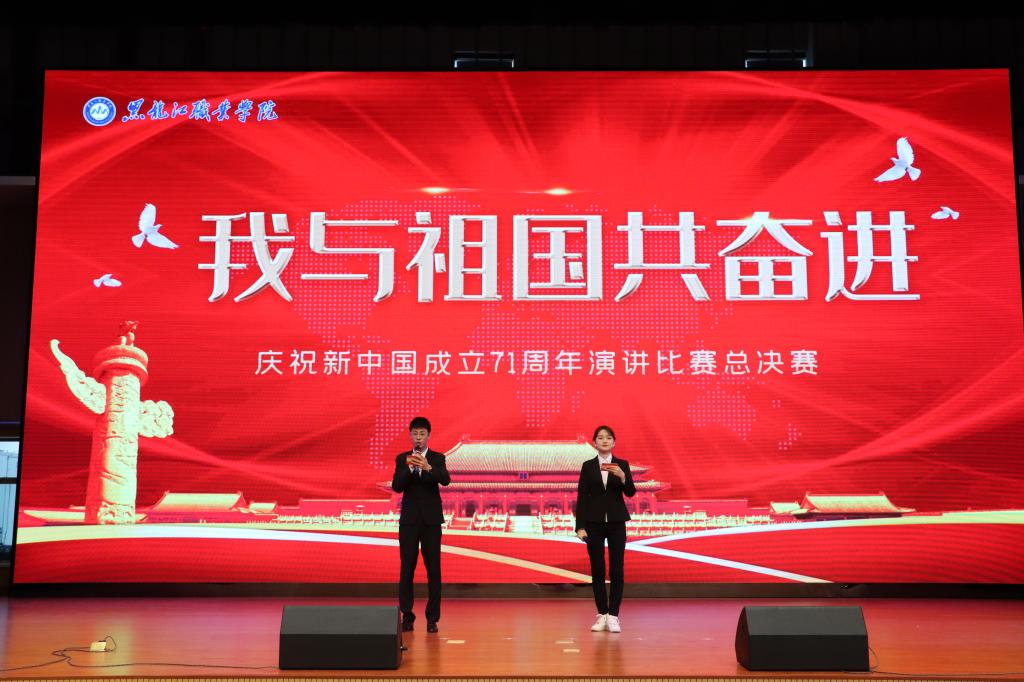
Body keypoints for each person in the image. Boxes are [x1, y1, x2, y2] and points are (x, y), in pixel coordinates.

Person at [574, 424, 636, 633]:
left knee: (617, 570)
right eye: (600, 438)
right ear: (594, 443)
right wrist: (580, 526)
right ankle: (602, 614)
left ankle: (614, 616)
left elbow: (630, 493)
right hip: (594, 523)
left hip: (617, 522)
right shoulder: (588, 466)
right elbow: (582, 498)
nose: (604, 440)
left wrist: (623, 476)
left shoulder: (622, 464)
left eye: (608, 437)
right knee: (598, 569)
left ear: (614, 442)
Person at [391, 416, 450, 633]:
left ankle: (432, 618)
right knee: (407, 568)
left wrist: (427, 467)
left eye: (422, 434)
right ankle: (407, 616)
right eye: (415, 434)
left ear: (428, 436)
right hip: (409, 521)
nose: (418, 438)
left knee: (433, 570)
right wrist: (409, 468)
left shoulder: (437, 458)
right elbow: (397, 486)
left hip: (431, 521)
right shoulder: (402, 459)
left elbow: (445, 479)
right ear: (410, 436)